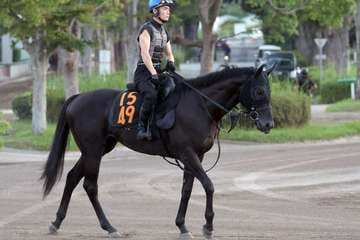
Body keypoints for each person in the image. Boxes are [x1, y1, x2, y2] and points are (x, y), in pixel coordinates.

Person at [134, 0, 176, 141]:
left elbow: (169, 53)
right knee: (151, 94)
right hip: (144, 72)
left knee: (174, 87)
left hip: (158, 71)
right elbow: (145, 54)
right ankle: (141, 128)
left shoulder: (164, 32)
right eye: (165, 9)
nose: (168, 11)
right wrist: (153, 73)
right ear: (155, 11)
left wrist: (171, 62)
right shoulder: (146, 29)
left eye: (169, 9)